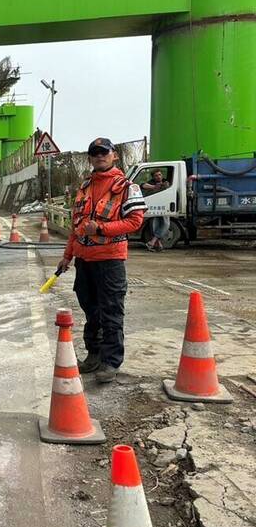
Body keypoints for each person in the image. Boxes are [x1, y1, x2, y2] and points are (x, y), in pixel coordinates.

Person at [57, 138, 148, 383]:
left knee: (111, 312)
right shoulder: (84, 187)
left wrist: (101, 229)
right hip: (84, 261)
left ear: (114, 155)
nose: (99, 156)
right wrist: (67, 256)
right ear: (90, 158)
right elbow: (76, 228)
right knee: (91, 312)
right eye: (95, 153)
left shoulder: (127, 187)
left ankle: (110, 362)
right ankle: (94, 355)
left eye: (103, 152)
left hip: (110, 261)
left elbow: (135, 222)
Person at [141, 169, 171, 252]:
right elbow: (142, 185)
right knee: (154, 226)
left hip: (165, 206)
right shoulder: (151, 182)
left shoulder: (166, 182)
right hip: (154, 207)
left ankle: (152, 242)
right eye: (156, 175)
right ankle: (158, 245)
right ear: (153, 177)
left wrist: (162, 185)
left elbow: (167, 186)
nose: (158, 176)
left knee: (166, 224)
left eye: (159, 174)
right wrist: (154, 187)